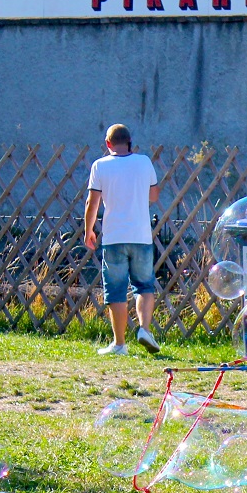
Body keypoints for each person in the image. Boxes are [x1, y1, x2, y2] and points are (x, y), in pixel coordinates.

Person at [84, 124, 161, 356]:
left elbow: (92, 202)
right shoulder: (144, 162)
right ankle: (145, 329)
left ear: (108, 144)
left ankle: (119, 345)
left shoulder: (100, 165)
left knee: (116, 290)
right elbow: (154, 195)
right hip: (141, 235)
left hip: (114, 236)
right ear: (130, 142)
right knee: (144, 285)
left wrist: (89, 230)